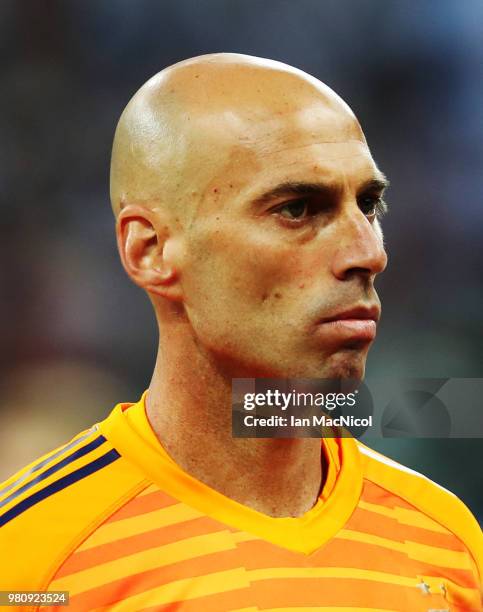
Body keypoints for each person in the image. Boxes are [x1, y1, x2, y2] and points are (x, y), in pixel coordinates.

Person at [0, 53, 481, 611]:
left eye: (369, 205)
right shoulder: (32, 560)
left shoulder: (444, 544)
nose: (368, 253)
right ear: (150, 250)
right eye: (298, 209)